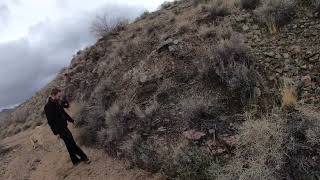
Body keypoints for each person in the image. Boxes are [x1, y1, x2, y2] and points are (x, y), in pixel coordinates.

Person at [44, 87, 90, 166]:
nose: (59, 98)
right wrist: (56, 133)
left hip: (64, 126)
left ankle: (75, 160)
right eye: (58, 96)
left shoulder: (57, 102)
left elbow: (63, 113)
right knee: (72, 143)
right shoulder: (48, 107)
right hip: (60, 129)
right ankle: (84, 157)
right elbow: (50, 122)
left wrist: (71, 120)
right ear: (53, 95)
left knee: (69, 144)